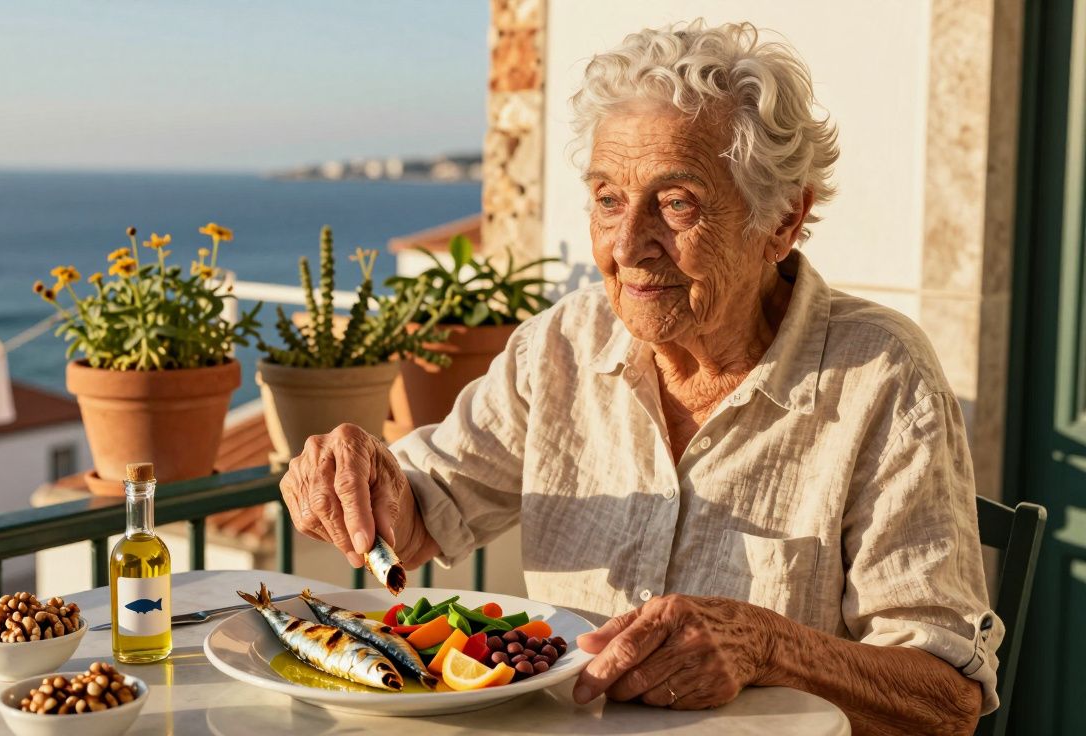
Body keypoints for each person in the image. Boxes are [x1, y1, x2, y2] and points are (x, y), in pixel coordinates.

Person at [280, 20, 997, 734]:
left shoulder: (882, 375)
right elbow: (417, 516)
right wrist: (357, 479)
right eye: (608, 199)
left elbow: (946, 702)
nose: (626, 247)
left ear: (783, 219)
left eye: (676, 202)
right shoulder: (560, 346)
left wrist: (769, 647)